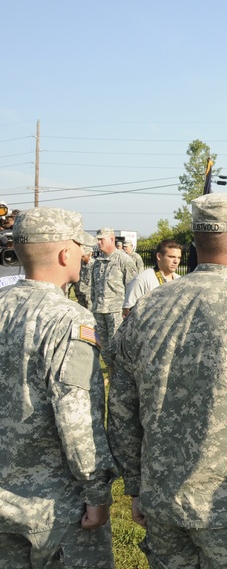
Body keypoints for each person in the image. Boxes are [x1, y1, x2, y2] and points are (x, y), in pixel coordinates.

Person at [107, 194, 227, 568]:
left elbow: (119, 406)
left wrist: (135, 484)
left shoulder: (149, 306)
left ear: (196, 243)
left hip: (162, 499)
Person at [0, 208, 116, 568]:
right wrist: (97, 492)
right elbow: (76, 415)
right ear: (65, 253)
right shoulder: (68, 319)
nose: (84, 255)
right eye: (80, 247)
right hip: (57, 509)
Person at [90, 227, 139, 347]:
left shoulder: (123, 260)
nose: (99, 242)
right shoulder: (98, 262)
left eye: (102, 239)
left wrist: (128, 309)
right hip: (99, 310)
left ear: (112, 239)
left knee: (117, 345)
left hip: (116, 311)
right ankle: (108, 366)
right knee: (102, 346)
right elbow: (93, 287)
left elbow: (132, 287)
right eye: (98, 240)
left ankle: (116, 366)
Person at [122, 239, 182, 316]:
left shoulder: (180, 280)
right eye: (171, 257)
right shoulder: (142, 280)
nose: (176, 261)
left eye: (179, 257)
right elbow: (128, 312)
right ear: (159, 256)